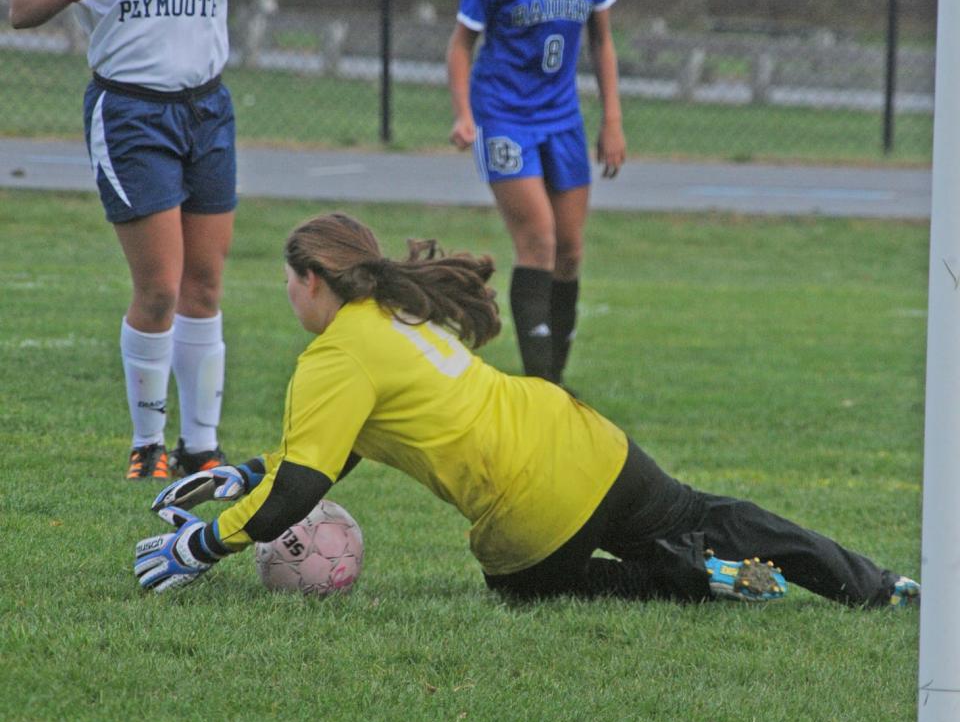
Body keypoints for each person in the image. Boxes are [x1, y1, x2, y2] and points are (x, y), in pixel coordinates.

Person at [135, 211, 919, 611]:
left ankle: (698, 578)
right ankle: (876, 586)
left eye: (286, 280)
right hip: (586, 439)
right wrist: (246, 474)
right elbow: (341, 448)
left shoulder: (334, 357)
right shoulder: (400, 312)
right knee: (712, 507)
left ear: (313, 281)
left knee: (531, 590)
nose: (284, 292)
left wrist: (203, 544)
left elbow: (304, 489)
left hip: (533, 511)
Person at [9, 0, 380, 482]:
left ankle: (199, 447)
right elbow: (21, 4)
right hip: (131, 114)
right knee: (159, 286)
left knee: (205, 283)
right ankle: (146, 446)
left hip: (206, 109)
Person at [446, 0, 701, 387]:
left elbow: (602, 43)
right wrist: (465, 114)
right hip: (505, 116)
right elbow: (461, 45)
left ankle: (554, 384)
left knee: (570, 252)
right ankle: (542, 388)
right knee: (537, 240)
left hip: (563, 119)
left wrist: (612, 120)